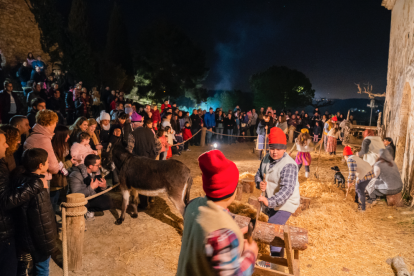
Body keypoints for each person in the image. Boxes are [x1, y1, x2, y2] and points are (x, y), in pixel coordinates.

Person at [177, 150, 257, 276]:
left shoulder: (192, 205)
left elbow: (206, 237)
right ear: (233, 191)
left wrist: (236, 233)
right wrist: (250, 254)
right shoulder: (225, 233)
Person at [255, 127, 300, 263]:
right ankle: (278, 259)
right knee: (276, 229)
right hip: (271, 201)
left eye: (278, 149)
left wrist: (270, 202)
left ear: (285, 149)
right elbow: (258, 174)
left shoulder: (289, 165)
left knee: (273, 227)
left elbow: (287, 190)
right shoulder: (266, 159)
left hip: (286, 203)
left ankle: (272, 262)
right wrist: (259, 183)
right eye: (272, 148)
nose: (274, 152)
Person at [12, 148, 57, 276]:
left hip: (26, 237)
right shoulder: (38, 187)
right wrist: (49, 242)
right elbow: (43, 218)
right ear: (40, 165)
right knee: (42, 268)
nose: (49, 164)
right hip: (38, 240)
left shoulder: (19, 180)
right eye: (47, 162)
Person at [68, 154, 112, 221]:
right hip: (79, 201)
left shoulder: (93, 173)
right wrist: (91, 188)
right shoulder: (75, 175)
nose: (99, 166)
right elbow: (75, 194)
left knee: (108, 202)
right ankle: (80, 216)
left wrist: (104, 186)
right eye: (97, 165)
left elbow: (97, 190)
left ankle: (89, 210)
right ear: (90, 166)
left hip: (89, 196)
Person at [24, 110, 60, 187]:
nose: (55, 126)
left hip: (33, 179)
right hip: (41, 179)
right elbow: (54, 167)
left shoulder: (34, 135)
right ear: (50, 123)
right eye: (55, 123)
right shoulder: (43, 139)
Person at [51, 125, 76, 213]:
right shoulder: (53, 149)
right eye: (67, 135)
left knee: (58, 198)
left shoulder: (63, 146)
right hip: (55, 180)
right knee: (53, 200)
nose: (69, 136)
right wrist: (70, 162)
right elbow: (57, 165)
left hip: (60, 179)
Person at [343, 146, 375, 211]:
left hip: (366, 174)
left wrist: (349, 181)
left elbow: (352, 172)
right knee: (358, 187)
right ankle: (358, 204)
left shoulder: (350, 160)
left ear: (345, 155)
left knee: (359, 189)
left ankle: (362, 208)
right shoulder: (354, 157)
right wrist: (351, 181)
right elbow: (355, 170)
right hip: (369, 172)